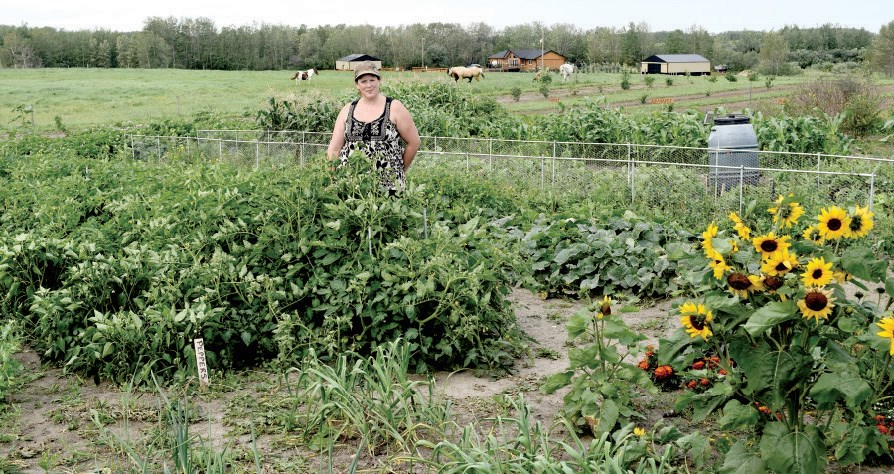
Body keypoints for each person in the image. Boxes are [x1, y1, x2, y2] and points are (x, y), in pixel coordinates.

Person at [327, 61, 421, 193]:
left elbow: (414, 142)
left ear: (379, 81)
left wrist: (400, 169)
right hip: (351, 187)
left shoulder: (394, 107)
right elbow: (334, 149)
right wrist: (332, 178)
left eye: (372, 80)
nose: (369, 85)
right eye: (363, 81)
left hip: (388, 187)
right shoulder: (347, 109)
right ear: (357, 85)